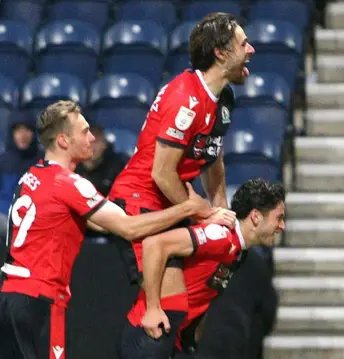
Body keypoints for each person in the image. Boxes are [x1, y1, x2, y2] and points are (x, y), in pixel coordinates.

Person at [0, 100, 233, 359]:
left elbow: (95, 223)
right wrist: (188, 208)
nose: (91, 138)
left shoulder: (30, 175)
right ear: (63, 141)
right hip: (38, 300)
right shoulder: (69, 184)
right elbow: (128, 227)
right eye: (84, 131)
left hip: (3, 299)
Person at [107, 12, 255, 354]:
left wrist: (221, 209)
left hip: (171, 203)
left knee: (192, 307)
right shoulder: (185, 98)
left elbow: (213, 157)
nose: (251, 49)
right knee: (168, 307)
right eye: (243, 43)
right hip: (138, 202)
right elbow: (161, 174)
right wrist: (203, 216)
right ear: (220, 52)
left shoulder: (223, 97)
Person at [117, 179, 285, 359]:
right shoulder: (220, 236)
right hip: (151, 334)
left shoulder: (238, 253)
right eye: (279, 218)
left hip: (170, 338)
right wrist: (152, 309)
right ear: (256, 217)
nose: (282, 226)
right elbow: (154, 244)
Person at [0, 110, 42, 244]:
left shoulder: (44, 162)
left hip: (36, 223)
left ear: (33, 134)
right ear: (12, 134)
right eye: (18, 131)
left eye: (27, 130)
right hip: (6, 218)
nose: (23, 135)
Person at [74, 125, 128, 241]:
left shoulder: (118, 165)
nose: (92, 146)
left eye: (96, 141)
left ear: (104, 144)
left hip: (114, 231)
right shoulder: (70, 167)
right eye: (88, 141)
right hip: (79, 232)